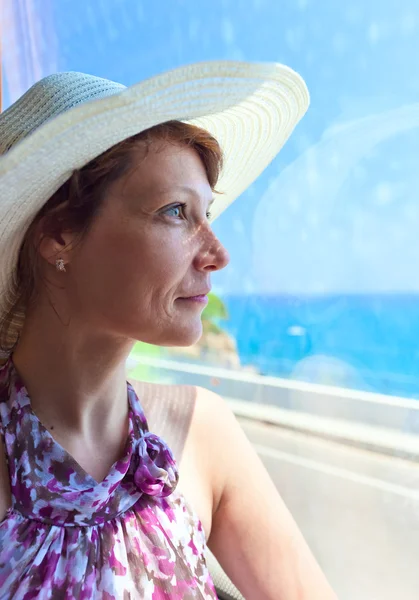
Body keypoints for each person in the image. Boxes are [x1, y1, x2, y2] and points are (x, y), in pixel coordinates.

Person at [0, 62, 337, 599]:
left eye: (207, 214)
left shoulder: (204, 432)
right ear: (59, 235)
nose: (217, 254)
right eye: (176, 211)